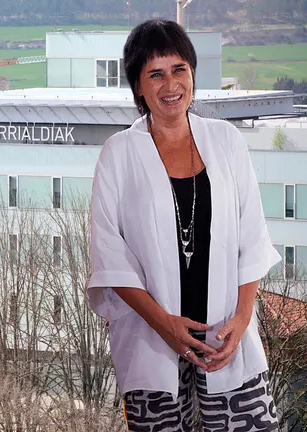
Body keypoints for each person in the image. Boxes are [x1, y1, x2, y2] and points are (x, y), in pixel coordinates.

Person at [87, 19, 281, 431]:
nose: (170, 84)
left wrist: (243, 319)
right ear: (138, 86)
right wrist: (165, 325)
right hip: (151, 337)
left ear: (192, 73)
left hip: (225, 333)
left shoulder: (227, 141)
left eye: (179, 69)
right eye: (155, 74)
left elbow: (252, 238)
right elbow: (109, 255)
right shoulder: (118, 154)